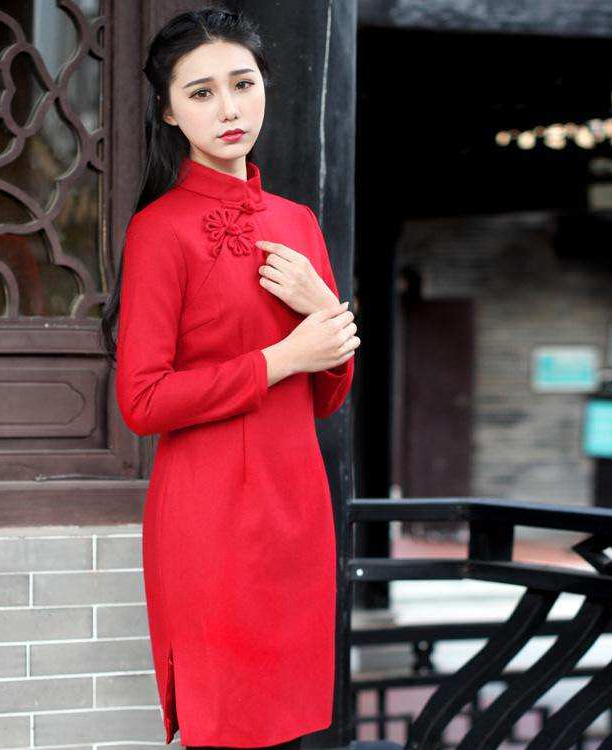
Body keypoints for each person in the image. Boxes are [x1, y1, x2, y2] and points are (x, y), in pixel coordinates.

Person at [99, 6, 360, 748]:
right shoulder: (160, 229)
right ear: (169, 111)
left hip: (296, 507)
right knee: (225, 727)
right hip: (210, 514)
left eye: (242, 84)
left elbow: (329, 391)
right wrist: (283, 358)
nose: (229, 108)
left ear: (265, 87)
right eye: (202, 92)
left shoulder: (298, 222)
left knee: (290, 727)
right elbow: (142, 400)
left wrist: (325, 315)